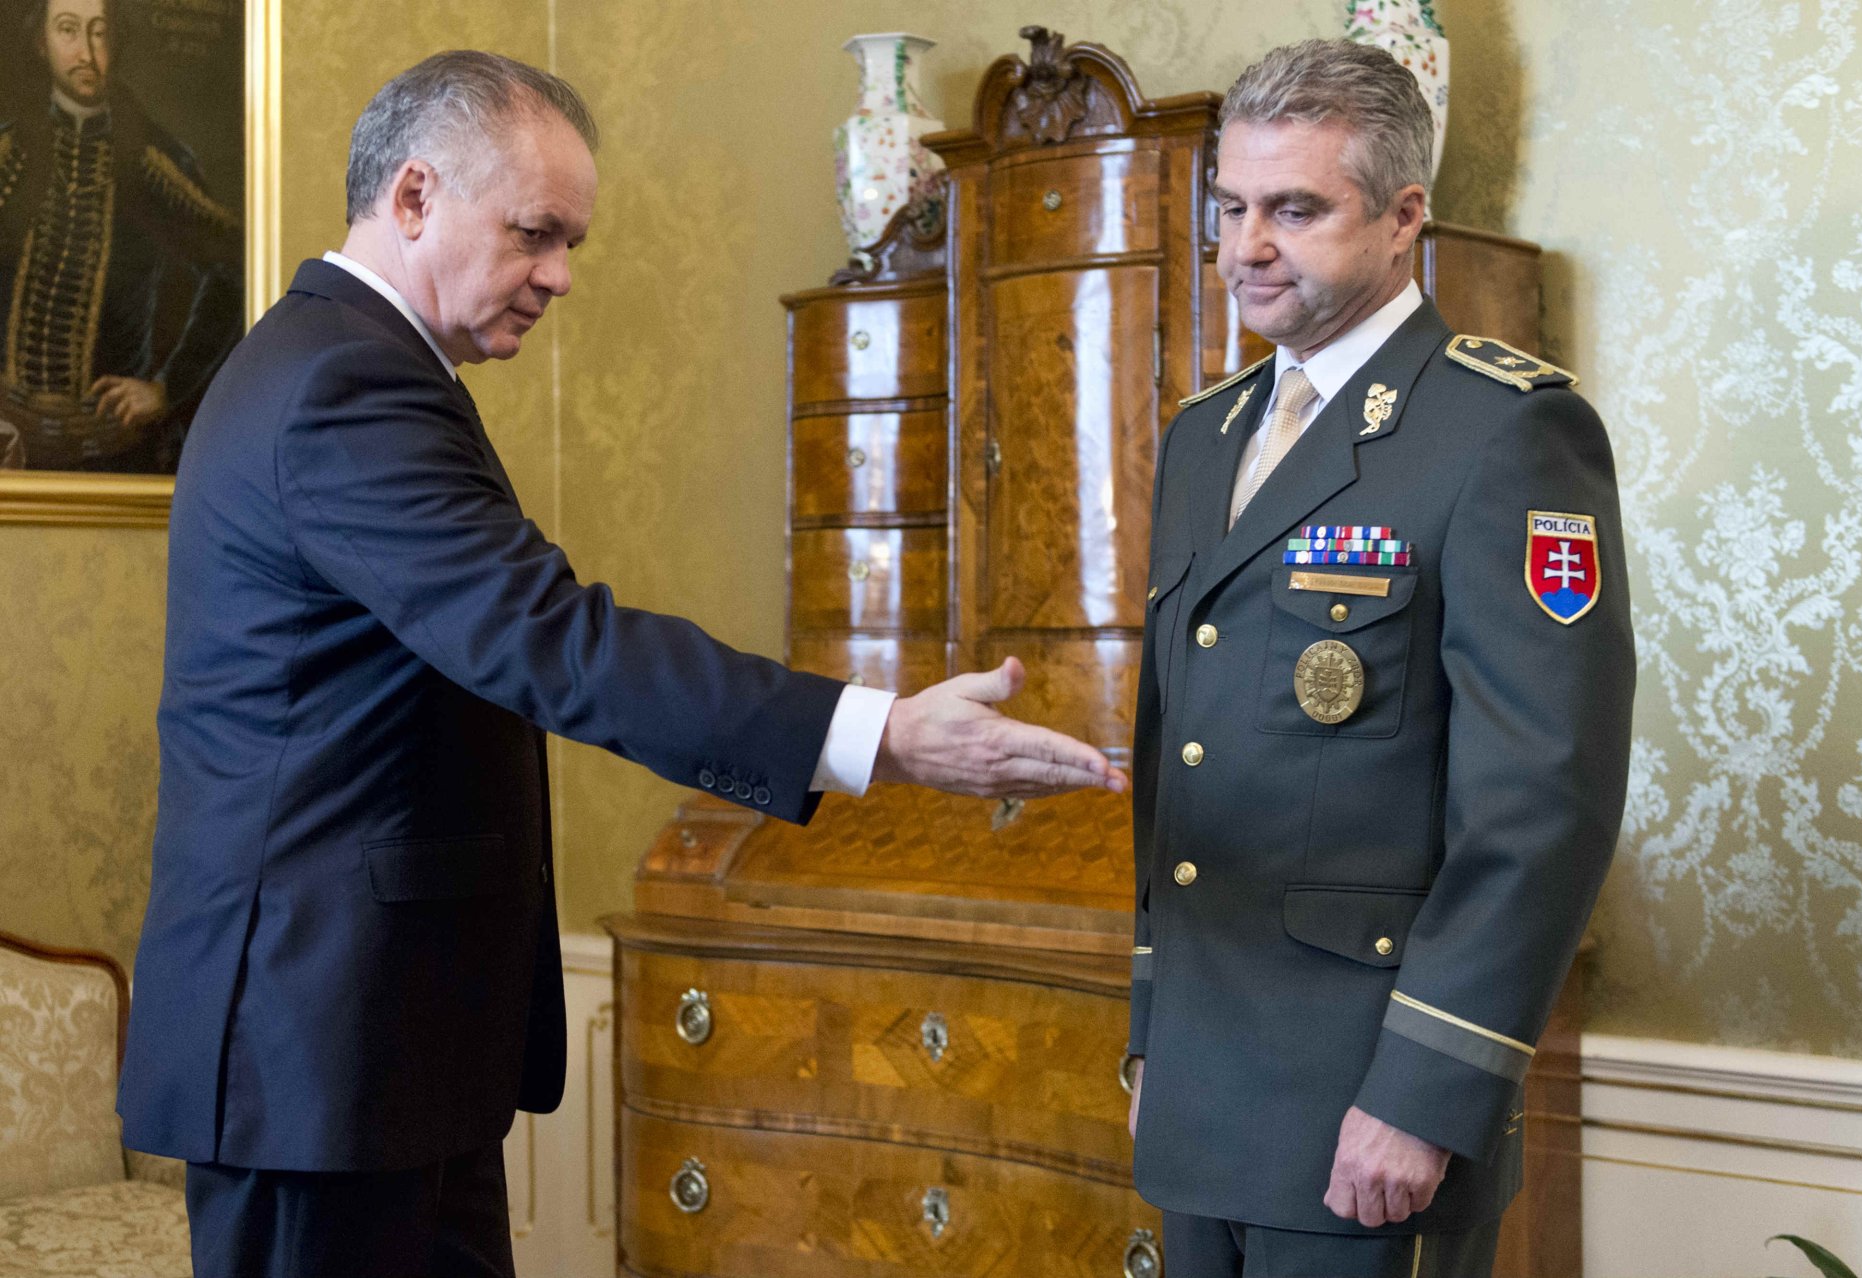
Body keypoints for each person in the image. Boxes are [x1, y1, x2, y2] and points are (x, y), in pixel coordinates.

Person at [116, 50, 1125, 1278]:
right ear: (415, 196)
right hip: (316, 1049)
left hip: (378, 1046)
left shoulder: (356, 364)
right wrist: (885, 735)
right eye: (535, 233)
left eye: (572, 242)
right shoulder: (342, 383)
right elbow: (554, 639)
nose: (561, 275)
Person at [1125, 39, 1634, 1278]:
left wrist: (1430, 1088)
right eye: (1230, 208)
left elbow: (1542, 801)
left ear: (1405, 218)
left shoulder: (1504, 430)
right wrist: (1153, 1037)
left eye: (1295, 210)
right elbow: (1177, 762)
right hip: (1200, 1082)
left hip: (1369, 1103)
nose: (1247, 247)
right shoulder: (1207, 436)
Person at [0, 0, 243, 472]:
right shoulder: (9, 152)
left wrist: (167, 389)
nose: (86, 53)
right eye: (68, 30)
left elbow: (233, 271)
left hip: (114, 451)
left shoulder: (154, 162)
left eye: (99, 32)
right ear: (41, 42)